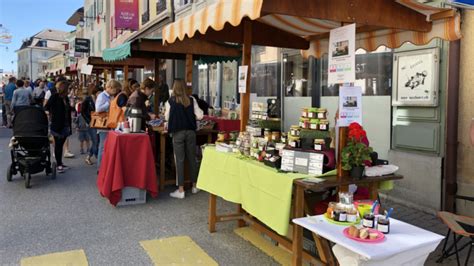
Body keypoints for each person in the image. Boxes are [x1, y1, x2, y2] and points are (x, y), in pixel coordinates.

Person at [165, 79, 203, 199]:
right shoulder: (192, 100)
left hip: (178, 133)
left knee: (179, 160)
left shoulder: (170, 101)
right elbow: (200, 115)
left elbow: (167, 117)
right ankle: (195, 186)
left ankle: (181, 190)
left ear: (174, 88)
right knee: (192, 158)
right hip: (191, 132)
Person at [44, 81, 72, 173]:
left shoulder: (66, 98)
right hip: (57, 125)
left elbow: (67, 109)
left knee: (61, 144)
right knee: (58, 145)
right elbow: (46, 107)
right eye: (69, 89)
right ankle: (58, 164)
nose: (70, 90)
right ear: (65, 89)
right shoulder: (55, 97)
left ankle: (60, 163)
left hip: (66, 124)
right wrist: (52, 114)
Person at [96, 79, 121, 169]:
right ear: (110, 88)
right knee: (102, 146)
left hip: (108, 124)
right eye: (115, 89)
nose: (116, 92)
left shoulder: (109, 96)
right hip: (103, 125)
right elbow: (98, 109)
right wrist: (108, 104)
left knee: (105, 146)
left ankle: (104, 167)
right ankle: (100, 167)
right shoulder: (102, 96)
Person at [82, 84, 101, 165]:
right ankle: (95, 157)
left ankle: (90, 156)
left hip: (99, 122)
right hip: (91, 122)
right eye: (99, 92)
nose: (100, 94)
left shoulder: (100, 99)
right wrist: (88, 121)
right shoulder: (88, 99)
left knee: (96, 141)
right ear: (95, 92)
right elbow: (82, 111)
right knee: (96, 141)